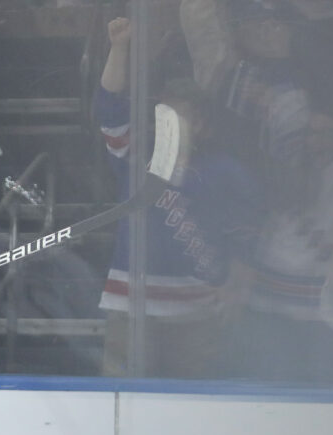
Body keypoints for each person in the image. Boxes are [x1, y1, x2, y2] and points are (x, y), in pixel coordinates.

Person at [95, 17, 261, 379]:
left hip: (194, 315)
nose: (164, 121)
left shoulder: (226, 172)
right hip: (130, 309)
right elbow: (109, 106)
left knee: (192, 411)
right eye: (161, 113)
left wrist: (236, 288)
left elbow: (246, 240)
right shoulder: (136, 157)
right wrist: (119, 47)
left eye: (176, 114)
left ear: (200, 124)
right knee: (120, 405)